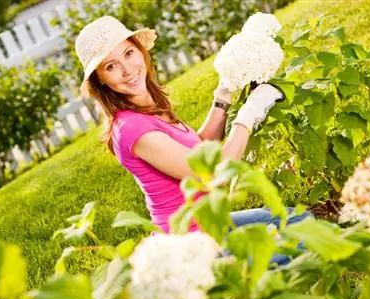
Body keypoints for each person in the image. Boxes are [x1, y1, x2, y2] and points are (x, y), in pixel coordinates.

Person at [75, 16, 310, 263]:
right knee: (303, 241)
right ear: (100, 79)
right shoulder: (131, 127)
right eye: (111, 66)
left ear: (140, 50)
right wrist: (250, 113)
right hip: (191, 250)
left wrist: (224, 93)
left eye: (129, 53)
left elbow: (198, 148)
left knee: (298, 220)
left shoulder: (148, 105)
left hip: (210, 225)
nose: (127, 69)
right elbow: (213, 173)